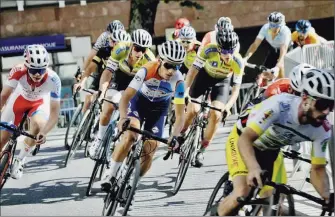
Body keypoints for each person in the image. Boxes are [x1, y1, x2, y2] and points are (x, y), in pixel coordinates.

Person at [217, 68, 334, 216]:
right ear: (305, 99)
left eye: (331, 105)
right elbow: (246, 139)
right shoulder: (280, 105)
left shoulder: (323, 129)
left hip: (270, 150)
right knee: (243, 192)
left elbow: (317, 169)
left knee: (273, 201)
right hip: (243, 140)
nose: (326, 112)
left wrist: (326, 196)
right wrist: (253, 168)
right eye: (322, 104)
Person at [100, 41, 186, 196]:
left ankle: (133, 180)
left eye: (177, 66)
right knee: (131, 136)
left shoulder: (179, 82)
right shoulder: (146, 69)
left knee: (151, 148)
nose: (172, 71)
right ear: (160, 60)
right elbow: (126, 97)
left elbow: (180, 115)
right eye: (168, 65)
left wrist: (175, 136)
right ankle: (111, 173)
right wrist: (123, 118)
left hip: (159, 110)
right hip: (139, 103)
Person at [88, 29, 155, 159]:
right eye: (137, 48)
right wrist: (102, 93)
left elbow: (149, 86)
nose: (140, 52)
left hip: (135, 83)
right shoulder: (120, 49)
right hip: (119, 78)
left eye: (144, 49)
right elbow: (107, 72)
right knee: (109, 104)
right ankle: (99, 139)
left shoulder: (149, 60)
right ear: (131, 45)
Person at [182, 29, 244, 168]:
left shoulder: (238, 61)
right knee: (193, 109)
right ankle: (182, 131)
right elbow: (193, 70)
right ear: (218, 48)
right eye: (224, 51)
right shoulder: (209, 50)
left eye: (231, 51)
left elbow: (236, 90)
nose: (228, 55)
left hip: (221, 82)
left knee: (216, 114)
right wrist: (186, 90)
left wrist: (228, 106)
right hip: (204, 77)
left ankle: (202, 149)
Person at [0, 44, 61, 179]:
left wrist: (44, 133)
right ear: (27, 67)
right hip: (19, 99)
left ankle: (20, 160)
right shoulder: (18, 70)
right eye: (33, 70)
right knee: (2, 139)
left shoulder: (54, 79)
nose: (38, 74)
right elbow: (4, 96)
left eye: (41, 69)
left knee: (39, 126)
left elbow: (55, 113)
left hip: (38, 103)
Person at [74, 30, 130, 114]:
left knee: (109, 103)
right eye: (113, 41)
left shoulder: (126, 56)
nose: (116, 46)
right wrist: (81, 82)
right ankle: (83, 122)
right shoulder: (104, 51)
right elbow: (91, 67)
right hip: (103, 76)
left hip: (117, 80)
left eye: (119, 44)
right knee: (89, 97)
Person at [244, 12, 291, 79]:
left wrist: (277, 67)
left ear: (281, 26)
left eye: (276, 26)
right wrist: (245, 58)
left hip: (286, 50)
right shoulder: (265, 28)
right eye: (271, 26)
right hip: (274, 49)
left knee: (281, 69)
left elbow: (283, 52)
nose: (273, 29)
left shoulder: (285, 32)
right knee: (264, 72)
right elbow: (255, 45)